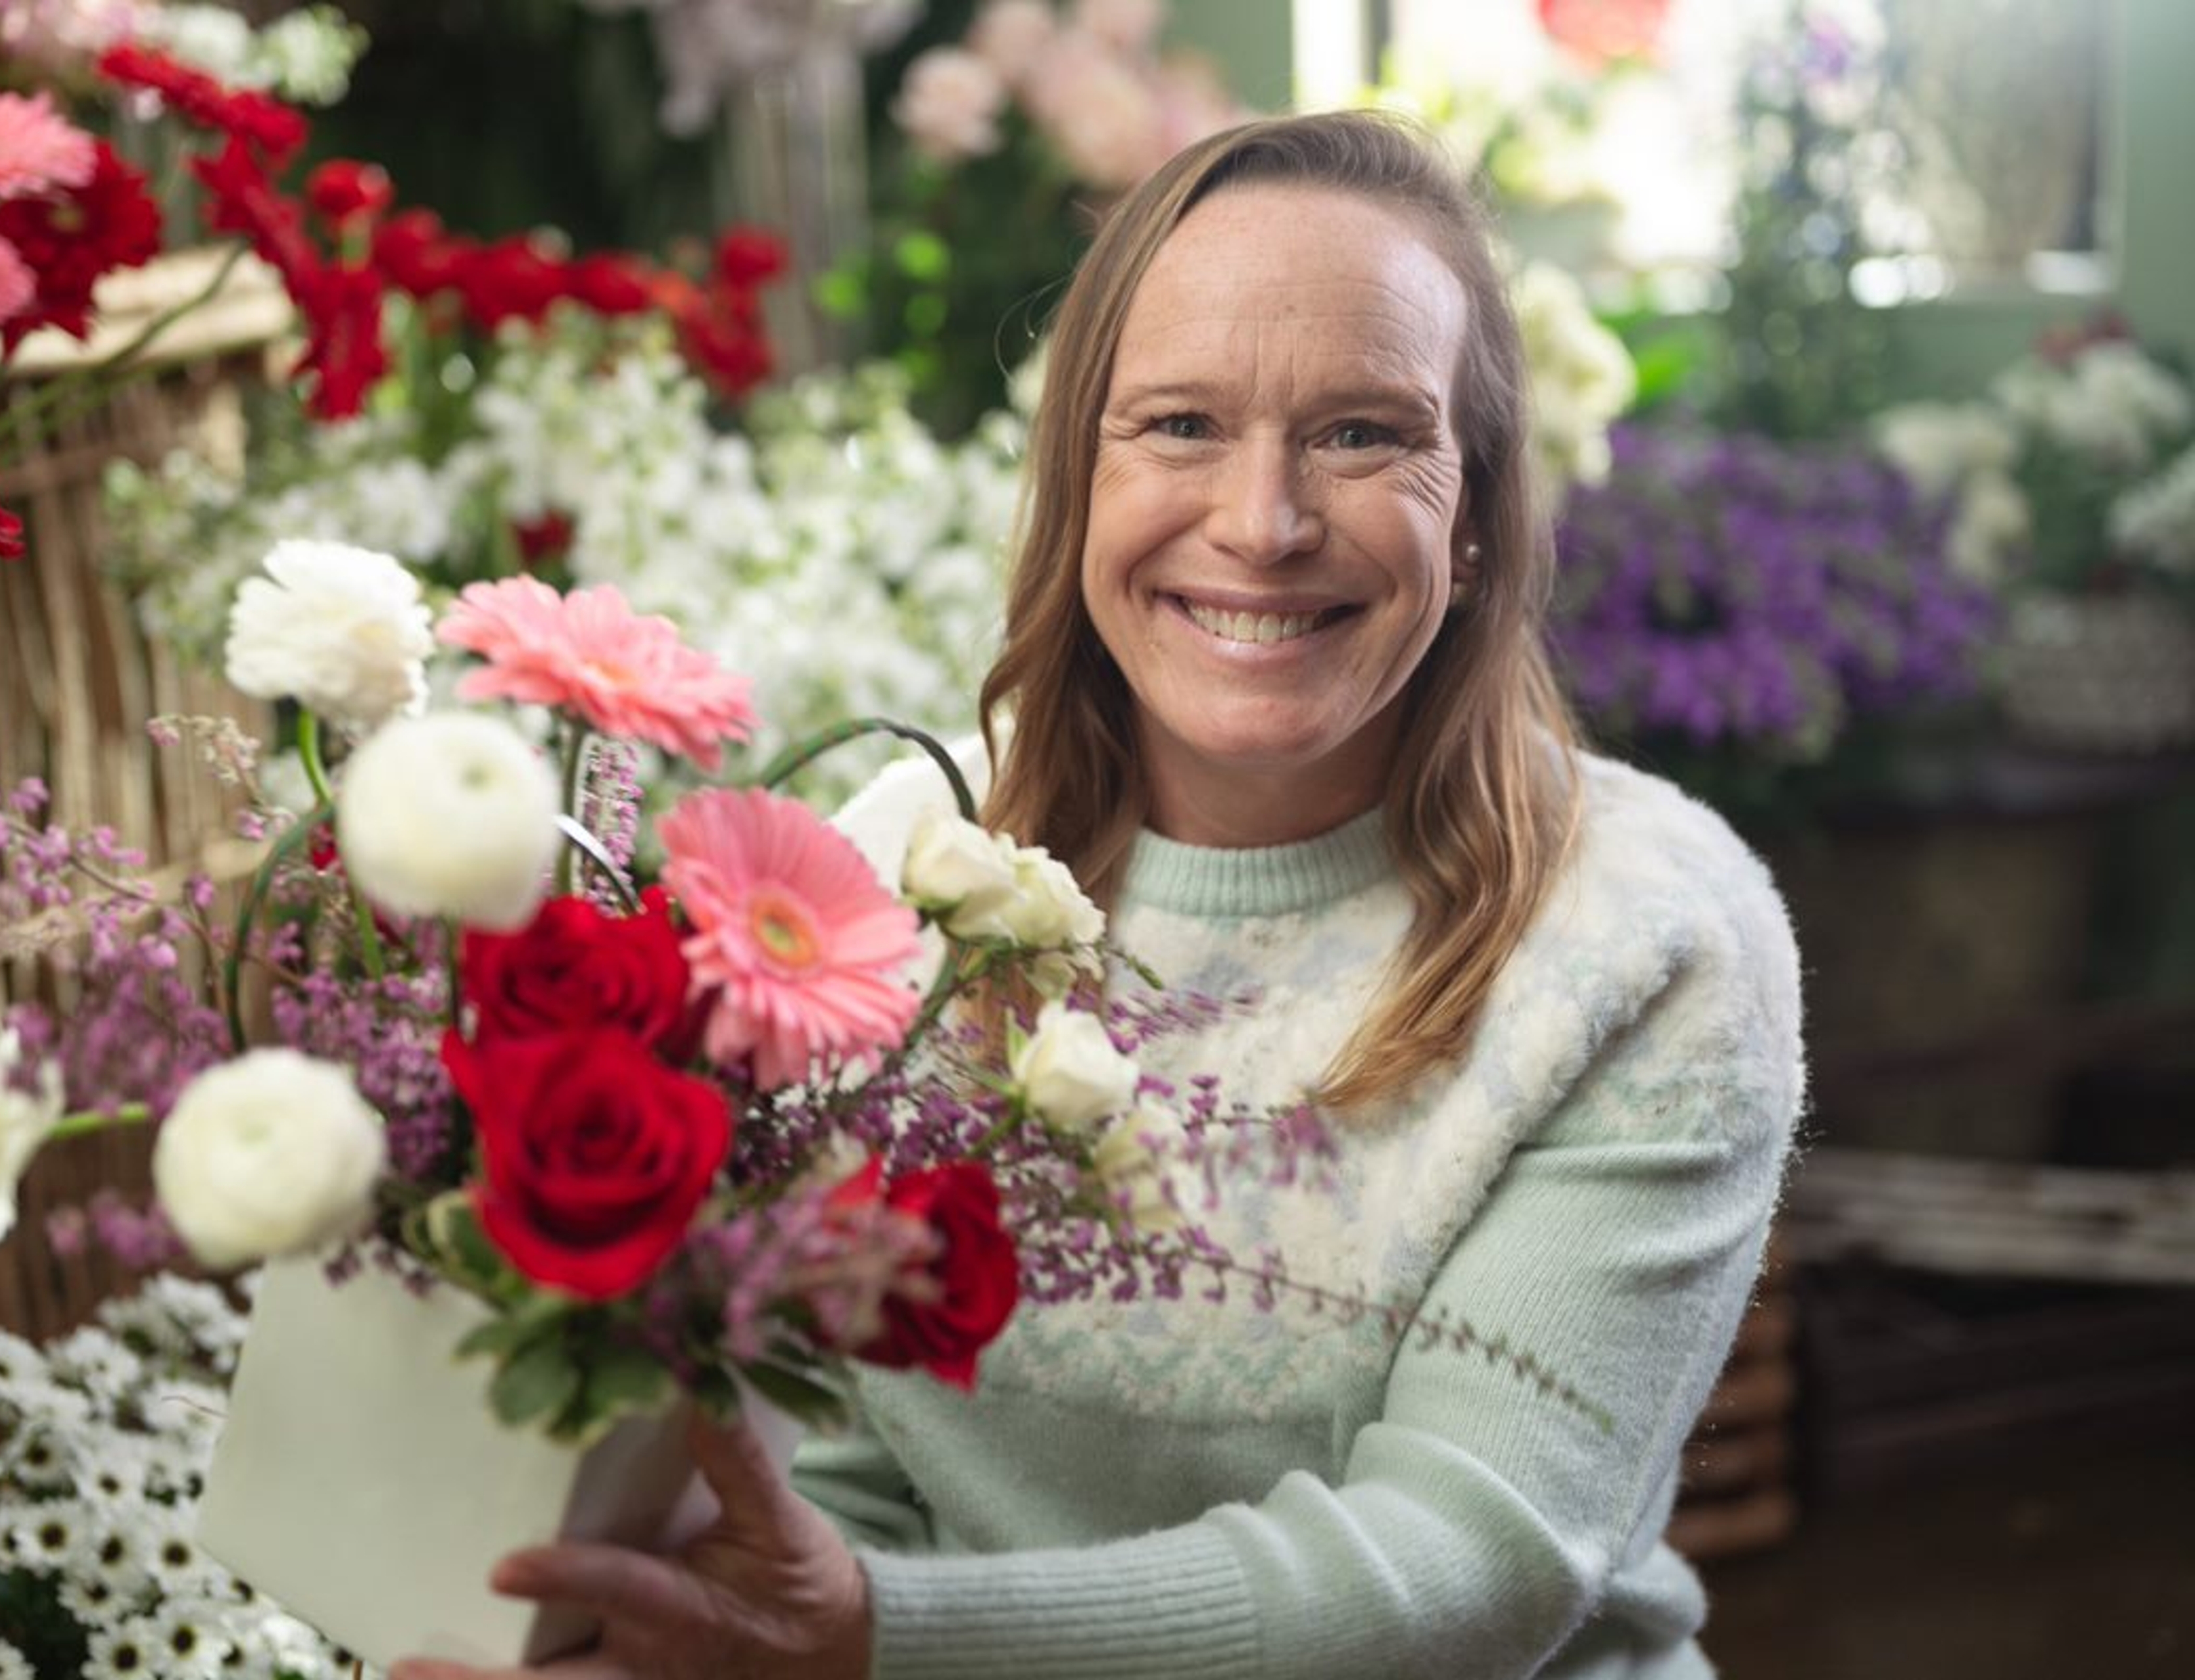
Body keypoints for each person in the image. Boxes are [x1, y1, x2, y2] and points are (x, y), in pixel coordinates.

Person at [393, 108, 1803, 1680]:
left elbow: (1464, 1573)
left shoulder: (1653, 938)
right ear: (1077, 482)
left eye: (1361, 433)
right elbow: (833, 1472)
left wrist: (876, 1644)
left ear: (1473, 521)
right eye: (1182, 425)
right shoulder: (892, 871)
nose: (1262, 524)